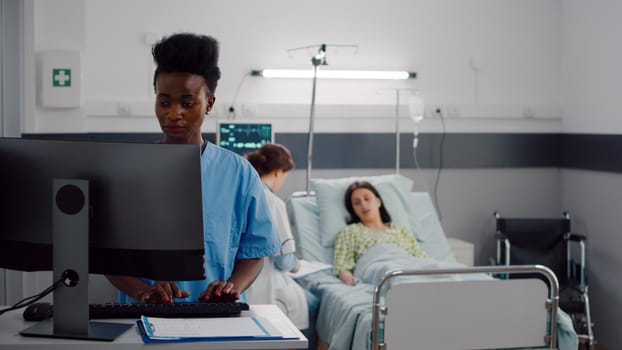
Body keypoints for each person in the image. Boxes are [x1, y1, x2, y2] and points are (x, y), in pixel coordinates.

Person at [106, 32, 280, 303]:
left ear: (208, 103)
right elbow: (110, 257)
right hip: (142, 318)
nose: (173, 113)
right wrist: (143, 292)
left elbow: (255, 250)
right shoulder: (128, 172)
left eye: (187, 103)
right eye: (164, 102)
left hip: (215, 316)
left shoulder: (238, 174)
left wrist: (231, 287)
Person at [244, 143, 319, 350]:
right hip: (266, 284)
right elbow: (284, 260)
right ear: (278, 172)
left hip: (240, 283)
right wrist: (296, 265)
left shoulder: (242, 194)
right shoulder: (272, 202)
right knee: (312, 304)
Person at [333, 181, 426, 285]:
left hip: (408, 267)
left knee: (438, 268)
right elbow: (342, 266)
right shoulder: (350, 232)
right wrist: (347, 278)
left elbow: (421, 259)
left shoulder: (401, 231)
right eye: (357, 203)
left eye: (367, 199)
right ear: (353, 210)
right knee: (391, 270)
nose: (363, 204)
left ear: (378, 201)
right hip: (378, 269)